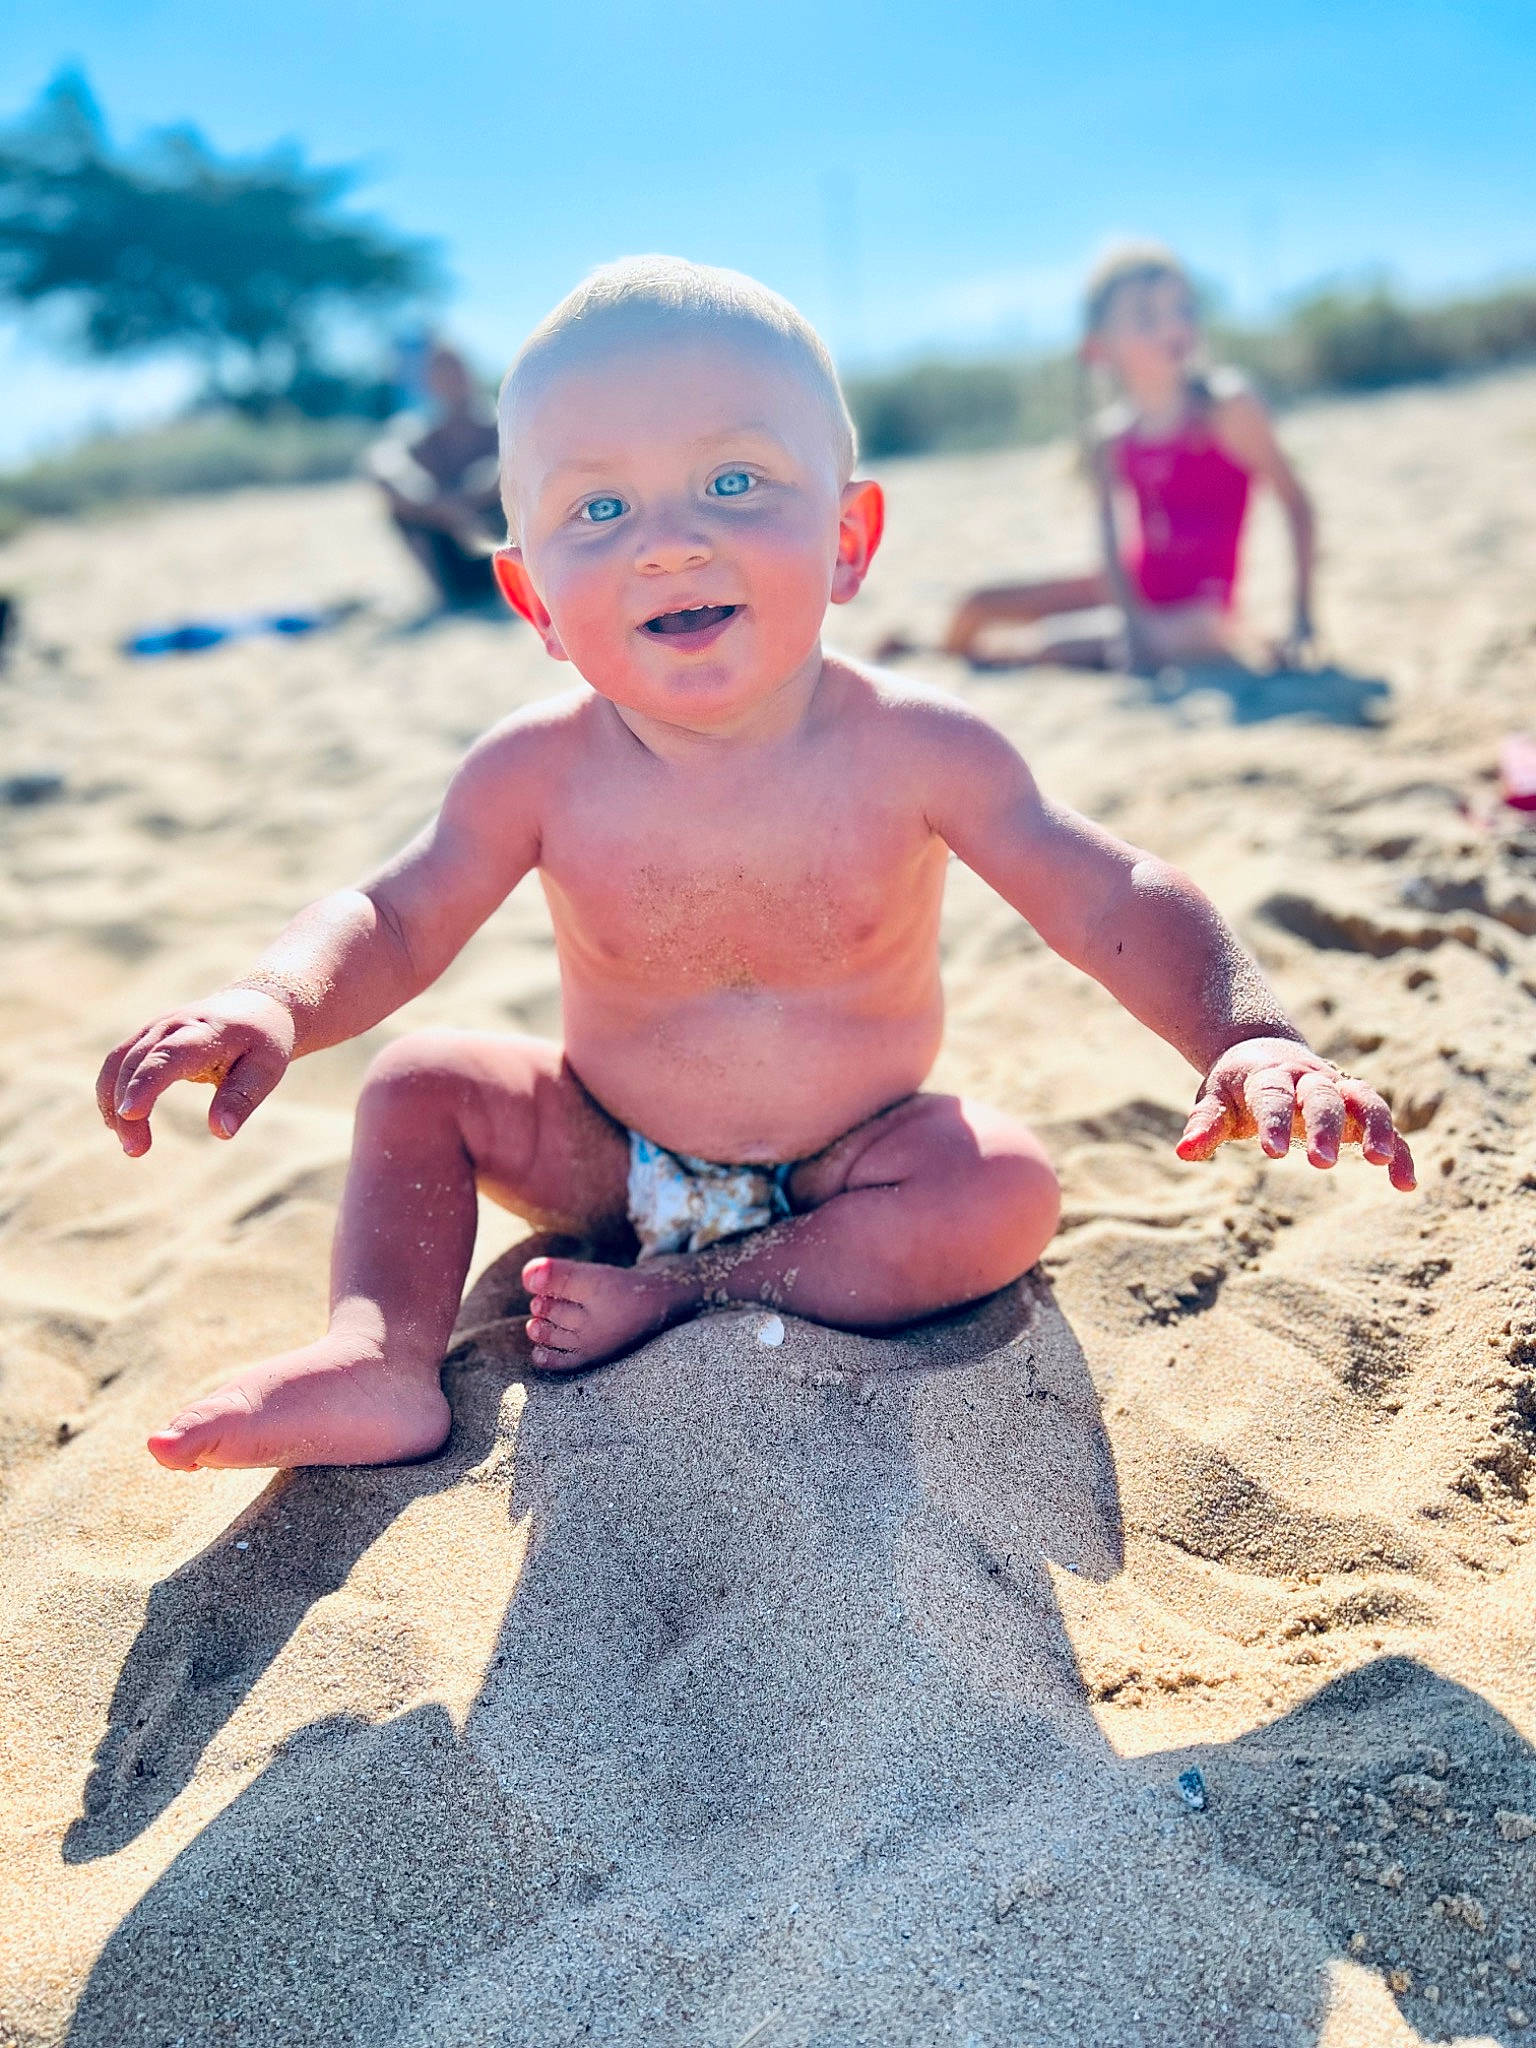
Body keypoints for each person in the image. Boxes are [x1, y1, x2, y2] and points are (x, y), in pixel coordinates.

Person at [96, 257, 1414, 1475]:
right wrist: (272, 996)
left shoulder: (920, 748)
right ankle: (380, 1359)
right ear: (534, 601)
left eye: (734, 483)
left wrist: (1245, 1035)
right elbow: (394, 914)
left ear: (848, 540)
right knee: (423, 1082)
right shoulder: (533, 769)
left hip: (855, 1166)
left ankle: (687, 1296)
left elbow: (1107, 894)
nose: (670, 542)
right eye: (600, 507)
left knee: (1004, 1187)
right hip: (604, 1159)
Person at [894, 244, 1315, 674]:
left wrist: (1300, 622)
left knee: (1050, 644)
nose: (1173, 325)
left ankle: (950, 658)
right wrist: (1130, 623)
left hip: (1200, 615)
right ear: (1098, 348)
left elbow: (1297, 504)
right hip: (1132, 593)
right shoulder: (1111, 437)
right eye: (1147, 317)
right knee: (977, 605)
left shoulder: (1226, 409)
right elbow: (1112, 543)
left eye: (1184, 309)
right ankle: (932, 654)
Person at [367, 340, 504, 610]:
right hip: (450, 548)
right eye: (441, 372)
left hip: (500, 543)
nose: (451, 380)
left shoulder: (500, 421)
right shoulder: (419, 431)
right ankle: (446, 596)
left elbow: (509, 462)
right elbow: (382, 462)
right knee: (397, 503)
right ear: (428, 382)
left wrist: (468, 499)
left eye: (455, 370)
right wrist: (439, 505)